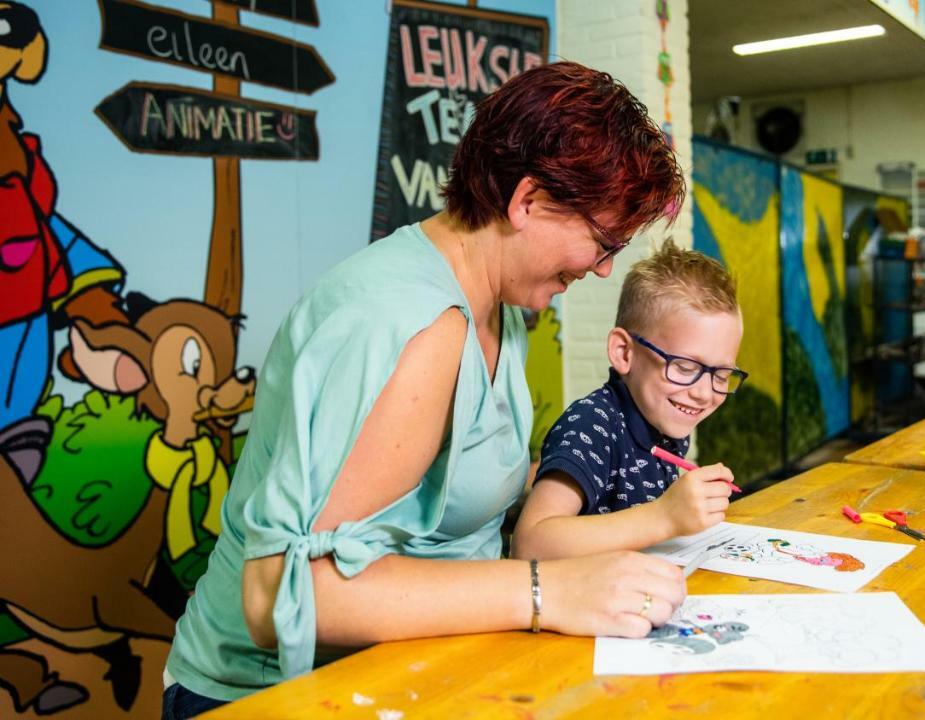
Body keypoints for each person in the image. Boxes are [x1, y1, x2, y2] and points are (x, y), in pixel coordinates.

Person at [161, 62, 688, 718]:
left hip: (415, 669)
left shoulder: (500, 304)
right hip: (262, 698)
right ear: (527, 202)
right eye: (604, 243)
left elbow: (440, 485)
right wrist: (545, 590)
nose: (604, 269)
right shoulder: (407, 322)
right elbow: (285, 595)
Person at [512, 240, 745, 560]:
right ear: (624, 353)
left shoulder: (661, 417)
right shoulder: (593, 427)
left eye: (720, 375)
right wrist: (665, 516)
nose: (704, 392)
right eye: (684, 367)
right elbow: (530, 545)